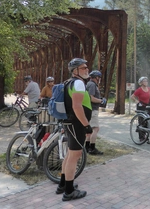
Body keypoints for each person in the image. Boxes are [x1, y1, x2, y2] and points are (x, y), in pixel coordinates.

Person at [56, 58, 92, 201]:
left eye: (86, 67)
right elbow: (77, 106)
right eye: (83, 68)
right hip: (76, 124)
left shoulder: (67, 82)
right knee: (74, 156)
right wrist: (86, 125)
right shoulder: (78, 83)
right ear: (75, 71)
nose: (86, 70)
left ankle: (63, 185)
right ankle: (69, 192)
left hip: (69, 122)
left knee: (70, 155)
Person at [85, 70, 106, 155]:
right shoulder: (92, 85)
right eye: (99, 77)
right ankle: (92, 148)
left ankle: (87, 147)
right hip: (92, 109)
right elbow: (91, 98)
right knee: (95, 128)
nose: (100, 79)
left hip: (90, 109)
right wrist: (101, 101)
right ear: (96, 77)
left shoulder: (90, 84)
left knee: (90, 129)